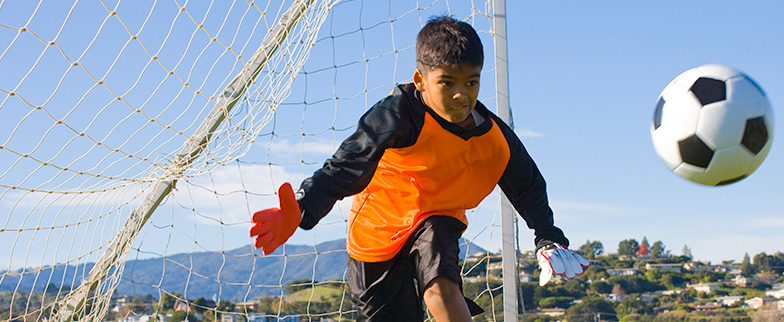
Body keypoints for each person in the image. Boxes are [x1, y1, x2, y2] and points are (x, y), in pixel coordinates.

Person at [250, 15, 589, 322]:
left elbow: (527, 185)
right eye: (447, 83)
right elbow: (347, 165)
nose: (461, 95)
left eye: (471, 82)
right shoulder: (397, 115)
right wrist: (302, 207)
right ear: (421, 80)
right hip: (377, 234)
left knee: (441, 286)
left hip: (436, 218)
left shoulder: (494, 138)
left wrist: (548, 237)